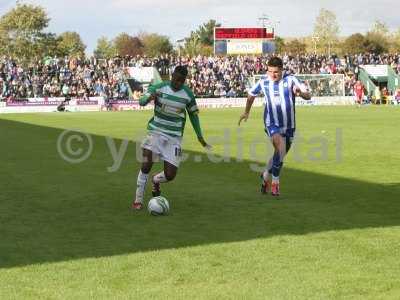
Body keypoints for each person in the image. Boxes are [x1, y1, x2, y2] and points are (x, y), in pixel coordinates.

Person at [132, 66, 211, 210]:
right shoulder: (159, 87)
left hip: (174, 138)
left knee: (170, 175)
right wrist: (149, 97)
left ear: (185, 80)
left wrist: (200, 136)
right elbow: (141, 101)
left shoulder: (188, 94)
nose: (178, 82)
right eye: (176, 79)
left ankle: (156, 180)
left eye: (181, 81)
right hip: (155, 133)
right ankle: (138, 200)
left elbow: (193, 115)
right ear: (172, 75)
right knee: (146, 165)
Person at [238, 57, 311, 196]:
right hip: (271, 122)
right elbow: (251, 95)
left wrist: (300, 93)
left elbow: (308, 95)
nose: (272, 75)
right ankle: (275, 183)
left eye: (276, 72)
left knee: (280, 154)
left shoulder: (291, 80)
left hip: (289, 125)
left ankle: (265, 175)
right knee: (281, 147)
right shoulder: (263, 82)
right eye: (270, 71)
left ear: (282, 70)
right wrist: (246, 111)